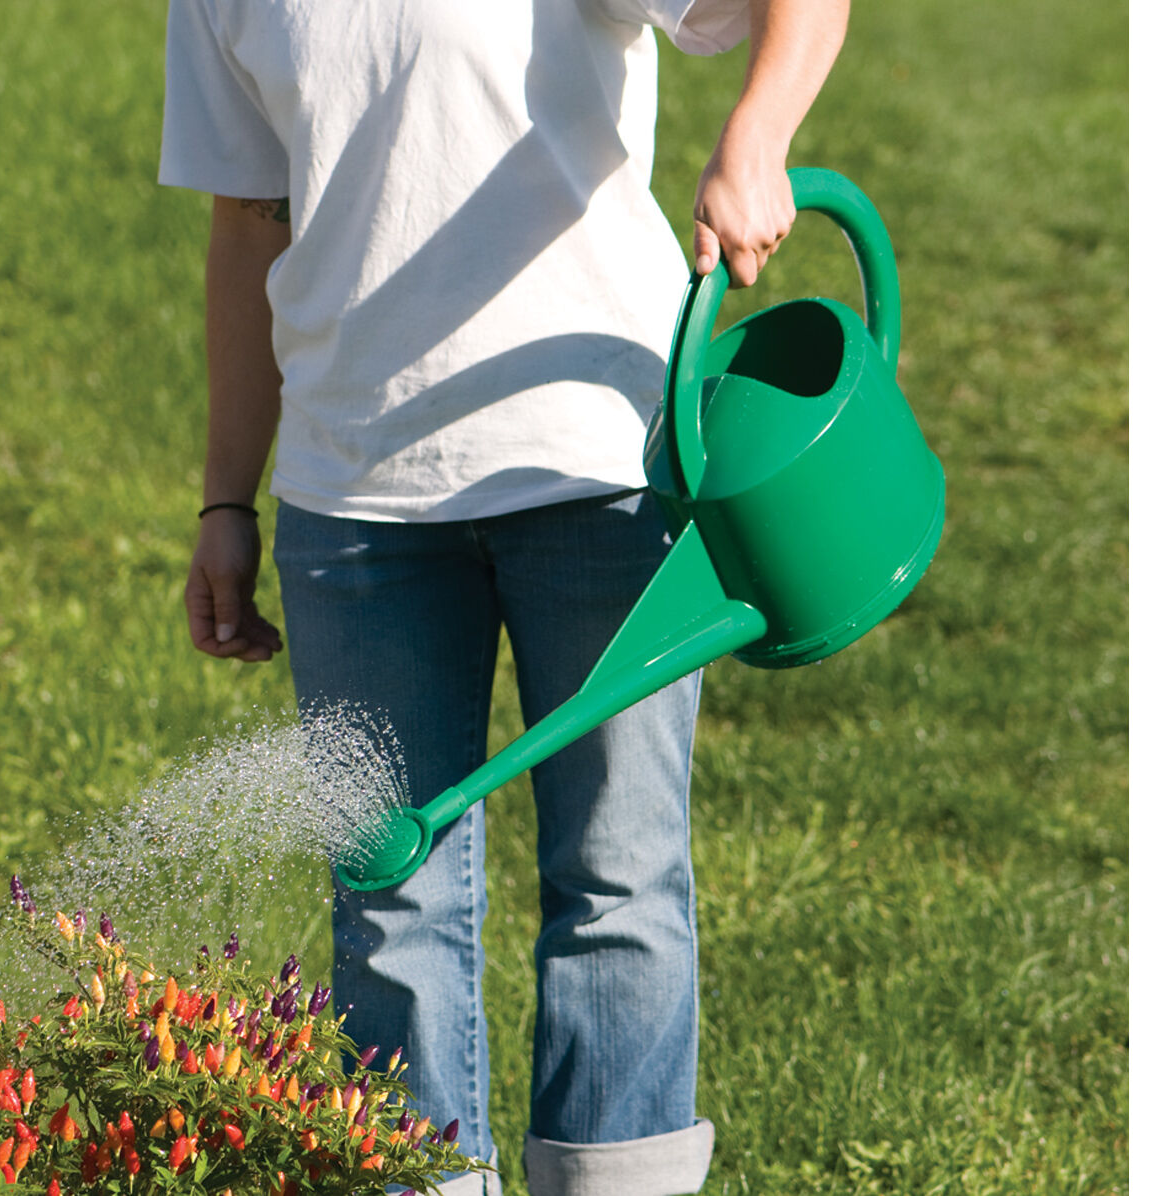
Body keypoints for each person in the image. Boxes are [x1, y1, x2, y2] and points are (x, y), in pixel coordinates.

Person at [160, 2, 848, 1192]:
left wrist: (757, 134)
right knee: (387, 899)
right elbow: (246, 223)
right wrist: (229, 498)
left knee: (618, 879)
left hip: (592, 466)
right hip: (353, 502)